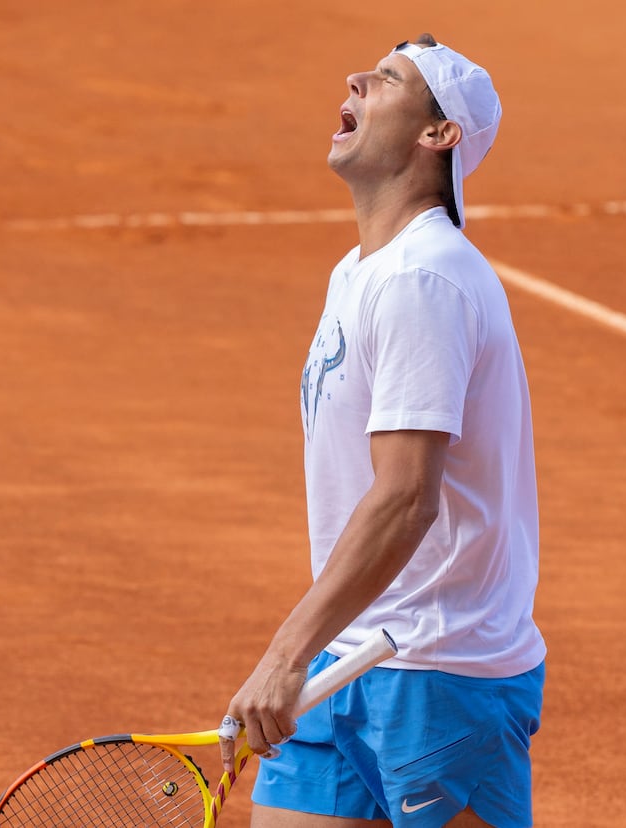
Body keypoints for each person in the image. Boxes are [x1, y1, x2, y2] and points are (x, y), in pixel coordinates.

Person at [222, 34, 545, 828]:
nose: (356, 79)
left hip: (440, 669)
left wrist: (283, 654)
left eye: (389, 80)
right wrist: (311, 650)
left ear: (439, 136)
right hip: (350, 653)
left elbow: (407, 499)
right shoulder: (359, 271)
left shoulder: (423, 280)